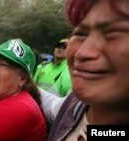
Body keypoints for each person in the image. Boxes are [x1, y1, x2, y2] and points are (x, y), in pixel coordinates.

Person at [42, 0, 129, 140]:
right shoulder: (74, 105)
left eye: (114, 32)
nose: (82, 52)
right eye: (80, 34)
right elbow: (50, 104)